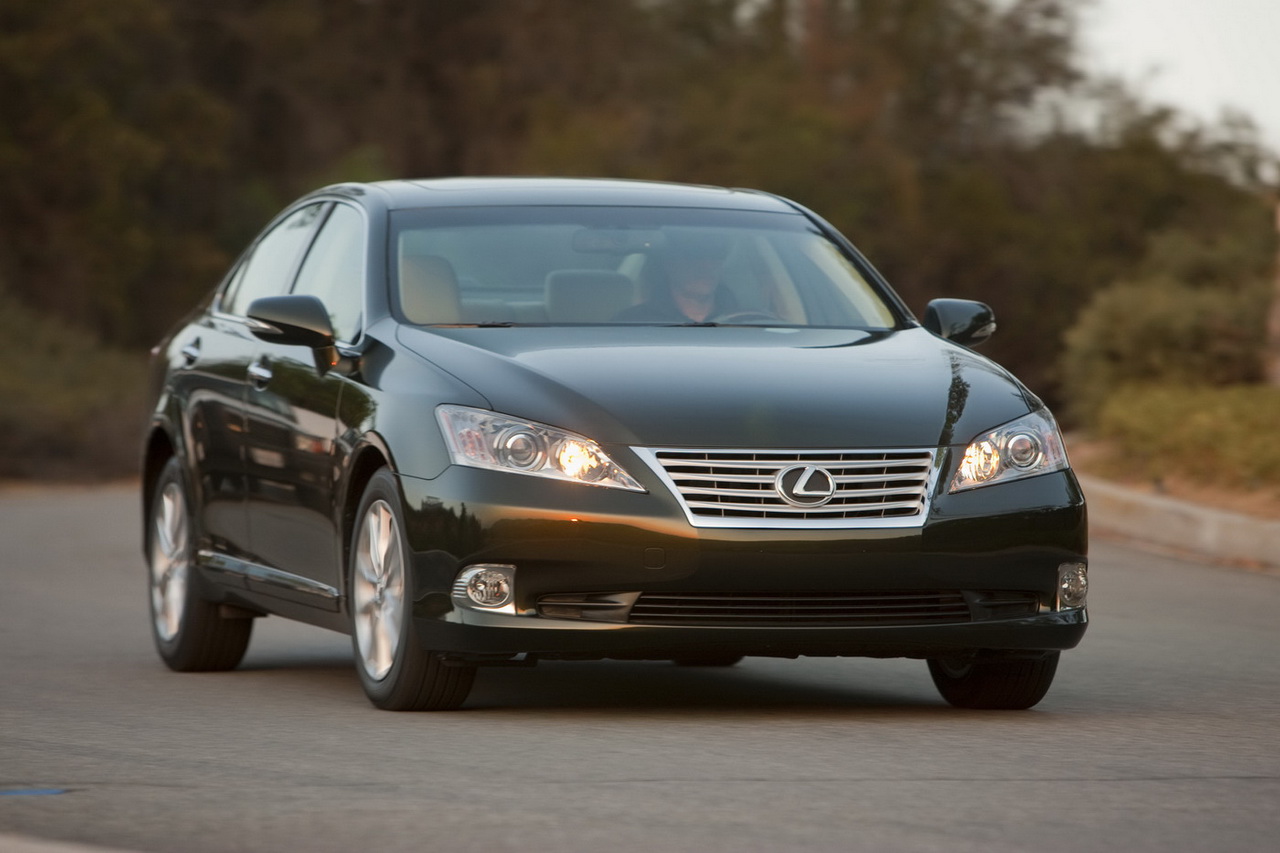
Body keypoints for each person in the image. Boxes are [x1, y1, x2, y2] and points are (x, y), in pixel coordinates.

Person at [613, 232, 736, 323]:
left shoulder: (748, 321)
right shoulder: (632, 323)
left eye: (716, 256)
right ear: (668, 263)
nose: (707, 265)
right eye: (693, 256)